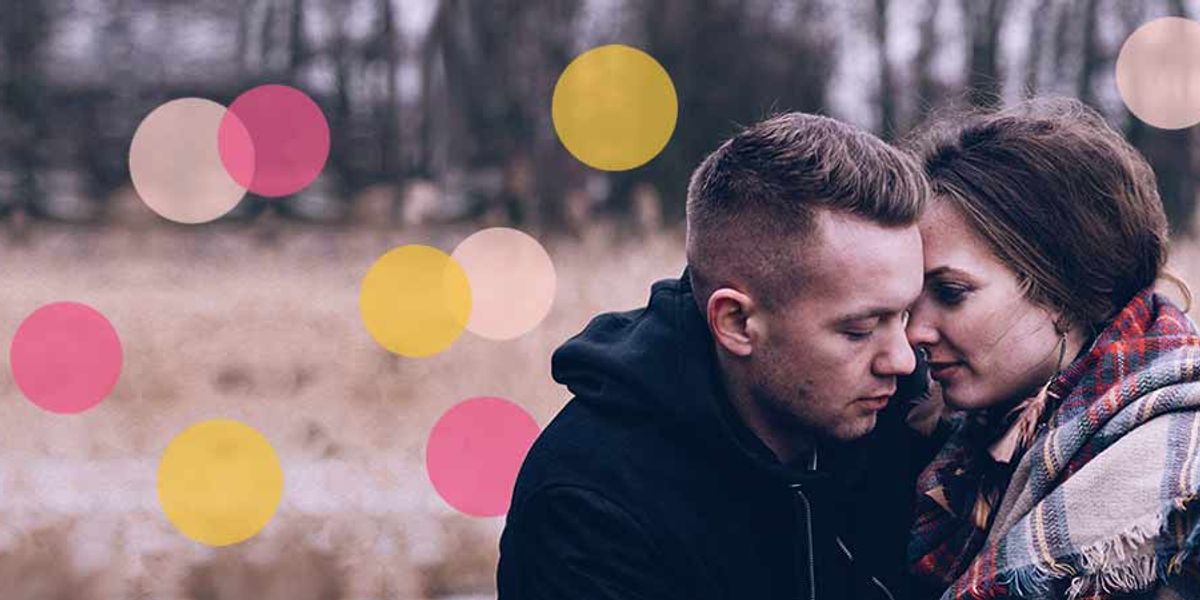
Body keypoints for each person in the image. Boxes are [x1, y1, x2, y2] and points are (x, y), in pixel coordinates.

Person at [497, 112, 935, 600]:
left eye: (905, 315)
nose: (903, 360)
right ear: (736, 323)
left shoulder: (913, 420)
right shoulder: (590, 508)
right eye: (859, 329)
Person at [904, 98, 1200, 599]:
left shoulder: (1170, 492)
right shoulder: (968, 447)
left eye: (951, 293)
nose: (915, 332)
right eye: (911, 298)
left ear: (1062, 290)